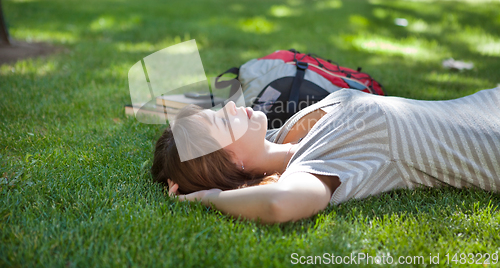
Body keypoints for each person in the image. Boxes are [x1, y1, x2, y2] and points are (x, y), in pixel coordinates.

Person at [151, 87, 500, 224]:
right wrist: (209, 197)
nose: (229, 105)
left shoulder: (284, 135)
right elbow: (278, 204)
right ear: (234, 165)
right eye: (222, 122)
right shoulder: (317, 159)